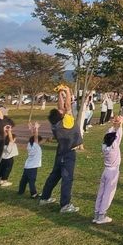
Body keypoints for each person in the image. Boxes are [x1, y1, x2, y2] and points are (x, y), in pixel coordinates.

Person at [39, 85, 83, 213]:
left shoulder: (55, 123)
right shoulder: (66, 122)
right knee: (67, 178)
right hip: (68, 152)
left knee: (55, 175)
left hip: (60, 151)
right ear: (61, 116)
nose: (62, 110)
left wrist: (60, 92)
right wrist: (68, 92)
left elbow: (61, 108)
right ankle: (65, 205)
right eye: (61, 112)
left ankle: (45, 197)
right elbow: (68, 107)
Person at [93, 115, 123, 224]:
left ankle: (97, 213)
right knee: (108, 194)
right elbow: (118, 135)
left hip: (105, 171)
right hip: (113, 172)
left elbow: (109, 135)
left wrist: (113, 125)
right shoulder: (114, 147)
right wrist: (120, 124)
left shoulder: (104, 146)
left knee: (101, 192)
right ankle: (102, 216)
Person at [18, 121, 42, 197]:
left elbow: (32, 137)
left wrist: (31, 129)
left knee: (24, 180)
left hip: (27, 166)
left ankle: (21, 191)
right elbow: (35, 137)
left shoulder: (29, 145)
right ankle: (34, 194)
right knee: (32, 181)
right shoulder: (36, 146)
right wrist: (36, 129)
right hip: (32, 167)